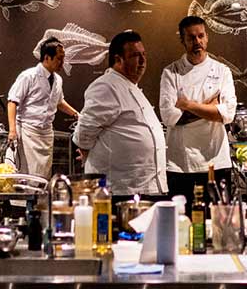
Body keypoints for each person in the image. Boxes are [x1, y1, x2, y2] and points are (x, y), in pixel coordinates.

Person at [73, 31, 167, 196]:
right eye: (135, 56)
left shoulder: (131, 86)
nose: (143, 61)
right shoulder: (106, 86)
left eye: (144, 54)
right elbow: (84, 134)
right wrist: (91, 153)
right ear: (118, 60)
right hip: (120, 190)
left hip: (143, 187)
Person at [159, 16, 236, 209]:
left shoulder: (222, 71)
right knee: (182, 224)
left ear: (207, 37)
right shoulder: (171, 72)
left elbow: (227, 114)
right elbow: (169, 116)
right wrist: (210, 108)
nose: (197, 42)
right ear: (183, 40)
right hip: (180, 164)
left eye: (201, 36)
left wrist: (187, 104)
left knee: (217, 223)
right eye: (191, 38)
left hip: (216, 162)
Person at [7, 38, 79, 178]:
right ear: (47, 57)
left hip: (46, 134)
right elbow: (12, 101)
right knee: (25, 176)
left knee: (42, 176)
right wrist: (12, 131)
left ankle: (39, 200)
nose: (62, 63)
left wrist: (76, 114)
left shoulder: (58, 79)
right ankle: (22, 201)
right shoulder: (28, 76)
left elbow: (58, 102)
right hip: (28, 132)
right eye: (59, 59)